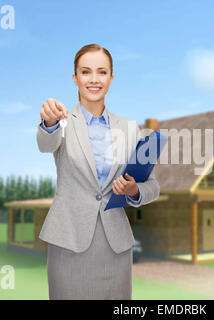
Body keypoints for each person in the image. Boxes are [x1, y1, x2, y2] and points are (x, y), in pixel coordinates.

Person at [36, 43, 160, 300]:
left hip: (115, 247)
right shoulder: (61, 120)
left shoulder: (129, 128)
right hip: (69, 242)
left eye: (102, 72)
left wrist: (134, 190)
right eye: (85, 72)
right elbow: (45, 145)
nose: (94, 79)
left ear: (111, 78)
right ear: (75, 78)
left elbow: (153, 186)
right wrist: (48, 123)